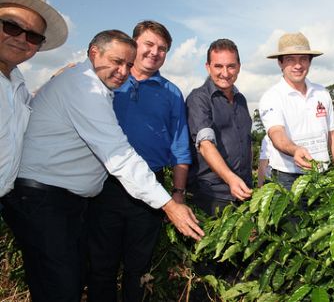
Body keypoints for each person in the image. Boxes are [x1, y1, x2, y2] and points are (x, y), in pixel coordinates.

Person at [0, 29, 204, 302]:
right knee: (63, 285)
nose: (123, 71)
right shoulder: (85, 87)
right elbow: (118, 154)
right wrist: (169, 205)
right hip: (45, 199)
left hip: (62, 200)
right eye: (117, 61)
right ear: (93, 52)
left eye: (127, 65)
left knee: (65, 280)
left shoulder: (98, 87)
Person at [86, 21, 192, 302]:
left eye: (163, 49)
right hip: (104, 186)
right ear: (134, 45)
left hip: (150, 191)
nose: (155, 52)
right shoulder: (106, 82)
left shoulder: (171, 93)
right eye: (149, 44)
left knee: (138, 267)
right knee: (101, 266)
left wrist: (178, 194)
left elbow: (180, 147)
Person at [0, 0, 67, 206]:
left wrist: (53, 81)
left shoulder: (16, 84)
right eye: (11, 26)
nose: (21, 39)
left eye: (33, 36)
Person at [259, 32, 334, 190]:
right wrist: (295, 150)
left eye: (303, 59)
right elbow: (276, 133)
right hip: (288, 179)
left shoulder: (322, 93)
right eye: (290, 59)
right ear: (280, 63)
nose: (298, 66)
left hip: (324, 175)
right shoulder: (272, 97)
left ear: (310, 62)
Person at [186, 38, 253, 216]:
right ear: (208, 67)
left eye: (231, 66)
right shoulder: (199, 99)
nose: (225, 73)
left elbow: (247, 142)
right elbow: (205, 144)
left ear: (239, 66)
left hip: (243, 191)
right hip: (213, 195)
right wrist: (230, 179)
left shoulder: (241, 99)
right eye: (218, 66)